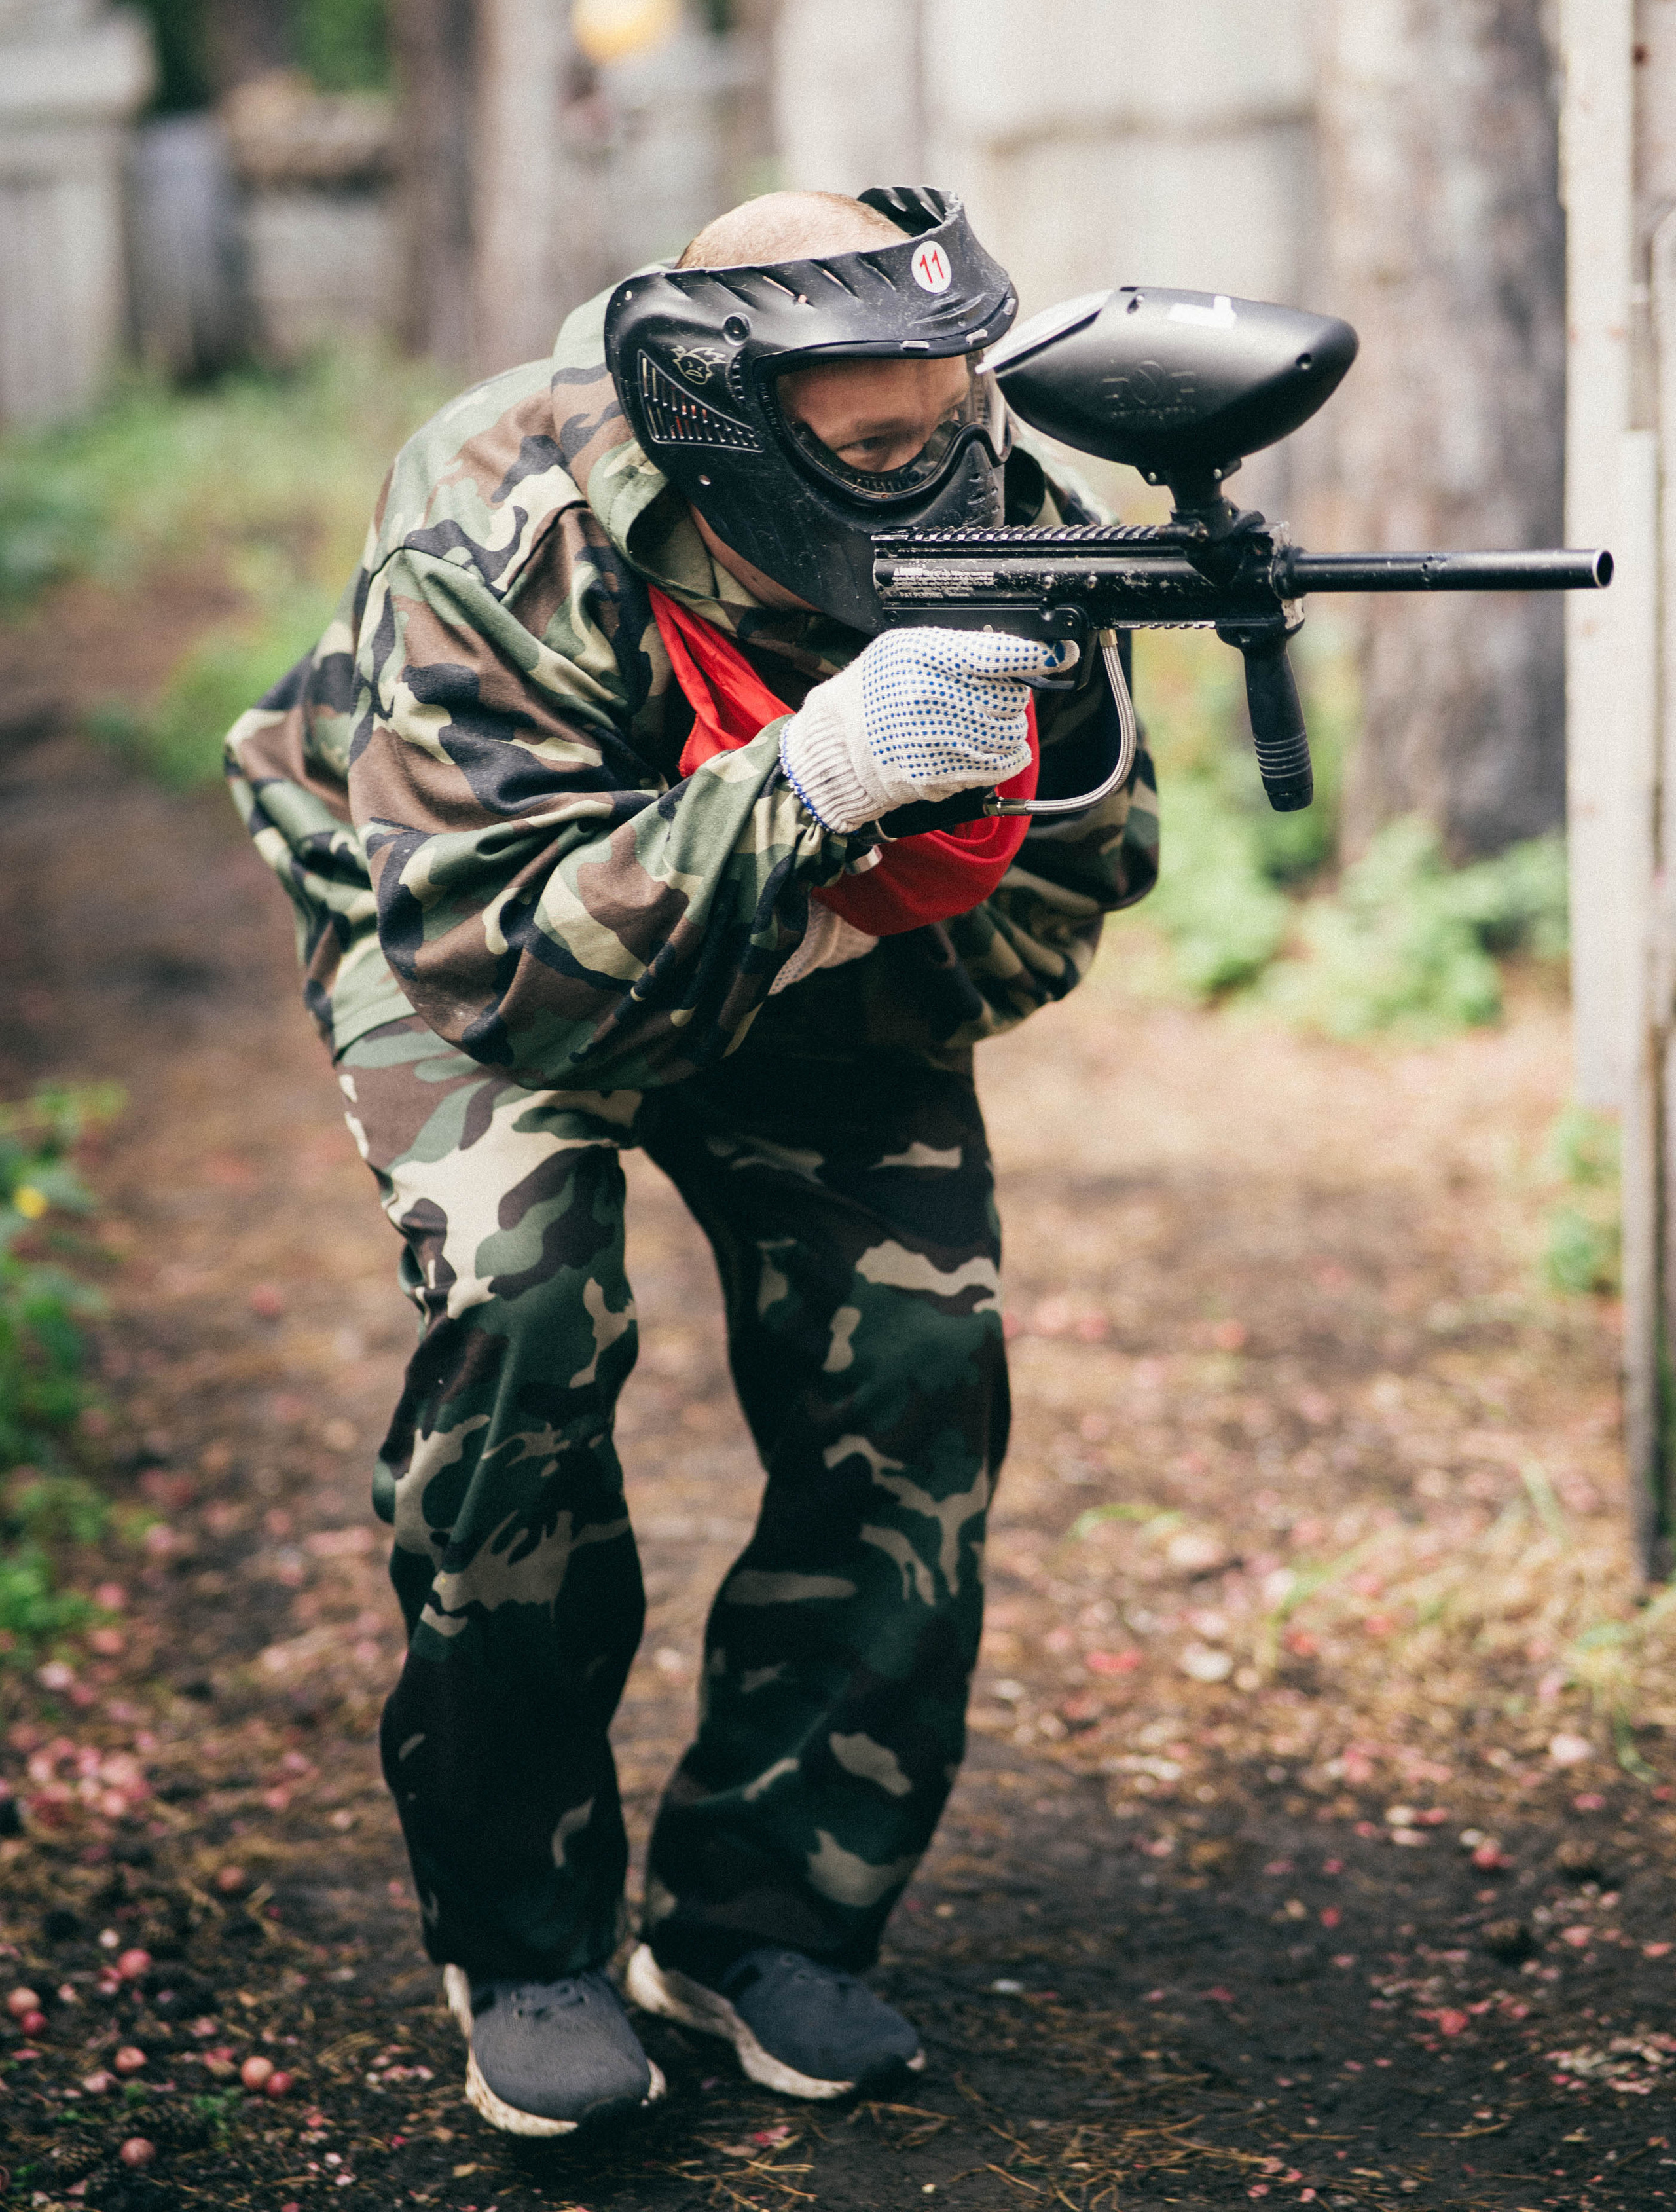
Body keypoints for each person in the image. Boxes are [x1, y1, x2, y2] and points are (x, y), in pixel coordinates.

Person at [225, 186, 1157, 2141]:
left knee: (914, 1369)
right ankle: (528, 1940)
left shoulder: (1002, 513)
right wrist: (815, 785)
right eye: (883, 445)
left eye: (958, 410)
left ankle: (759, 1920)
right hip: (471, 930)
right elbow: (514, 969)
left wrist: (853, 871)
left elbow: (1072, 891)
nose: (943, 465)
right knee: (525, 1324)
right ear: (738, 417)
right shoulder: (500, 515)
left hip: (808, 928)